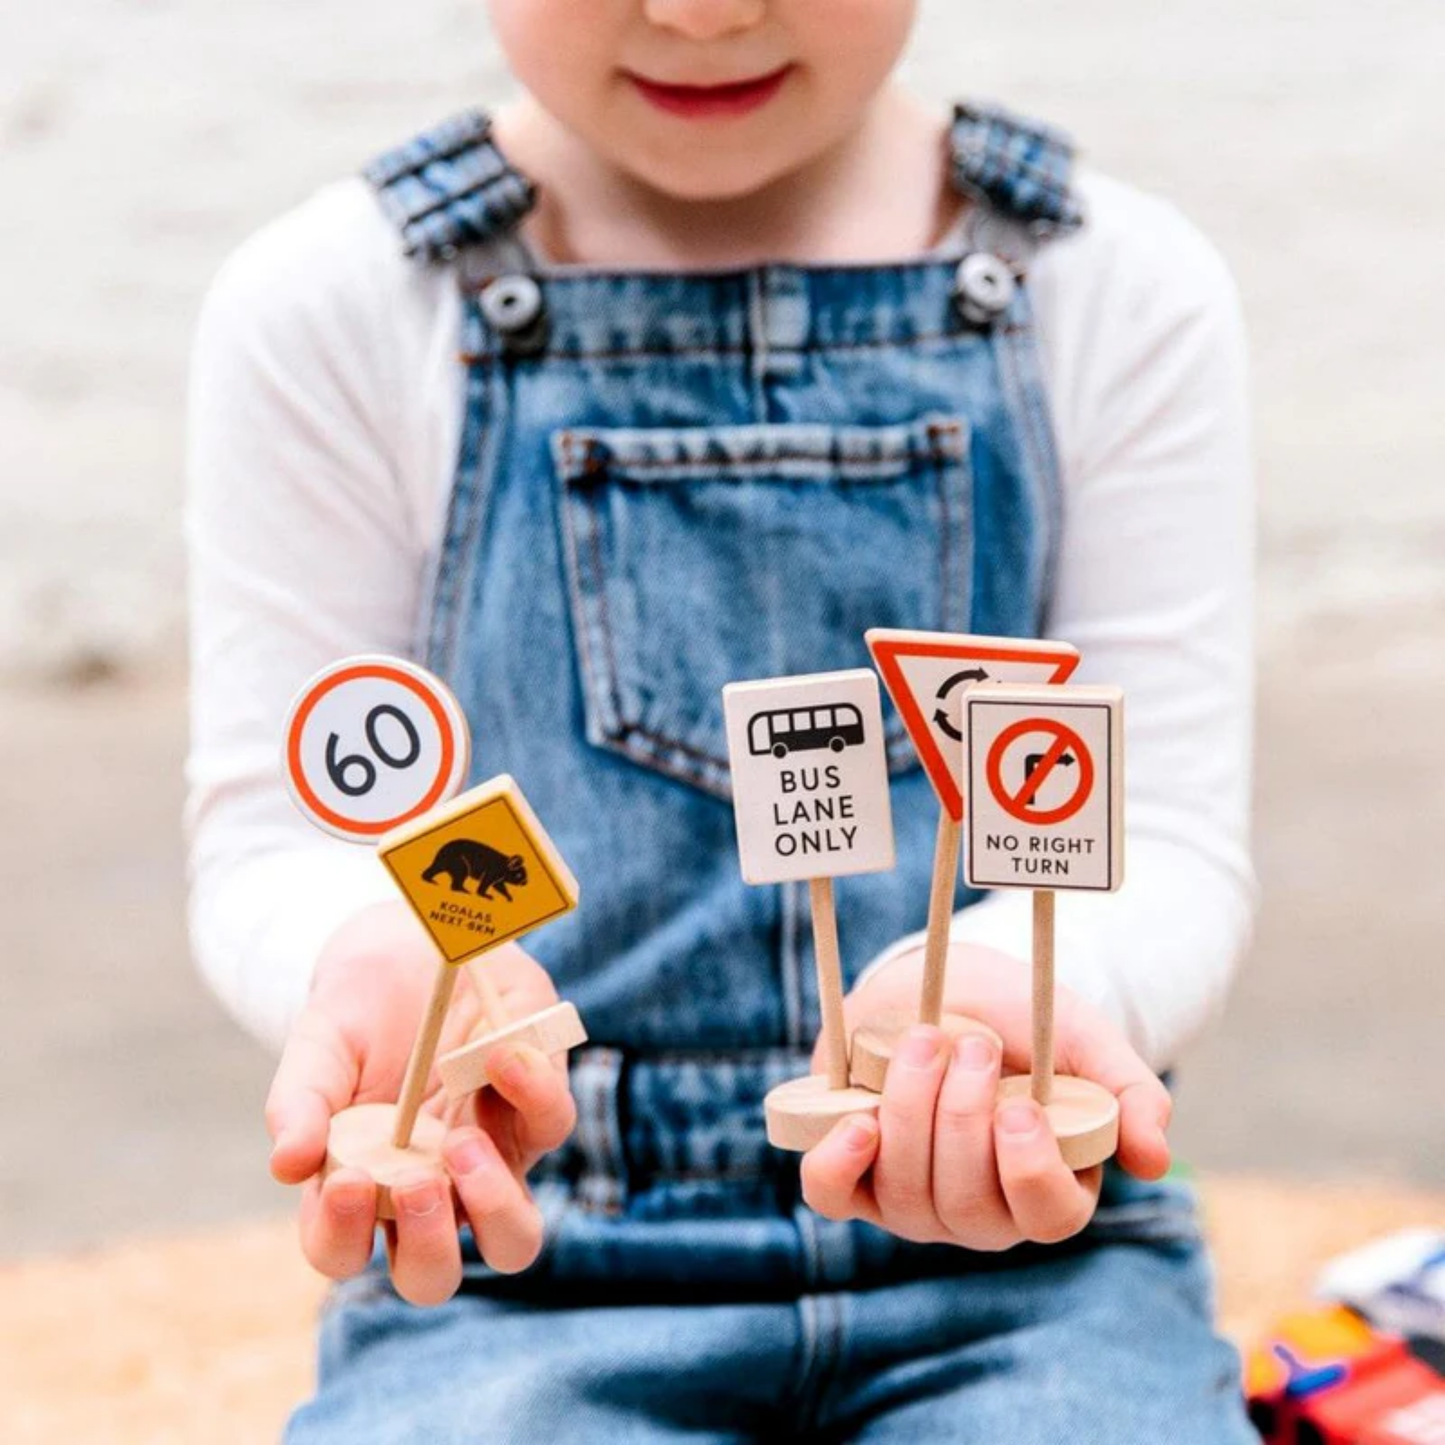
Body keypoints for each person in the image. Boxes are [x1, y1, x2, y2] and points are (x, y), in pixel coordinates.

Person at [186, 2, 1257, 1439]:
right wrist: (374, 953)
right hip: (527, 1266)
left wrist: (1022, 993)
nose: (702, 12)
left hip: (1032, 1264)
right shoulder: (330, 306)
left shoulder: (1118, 289)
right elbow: (277, 828)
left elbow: (1166, 828)